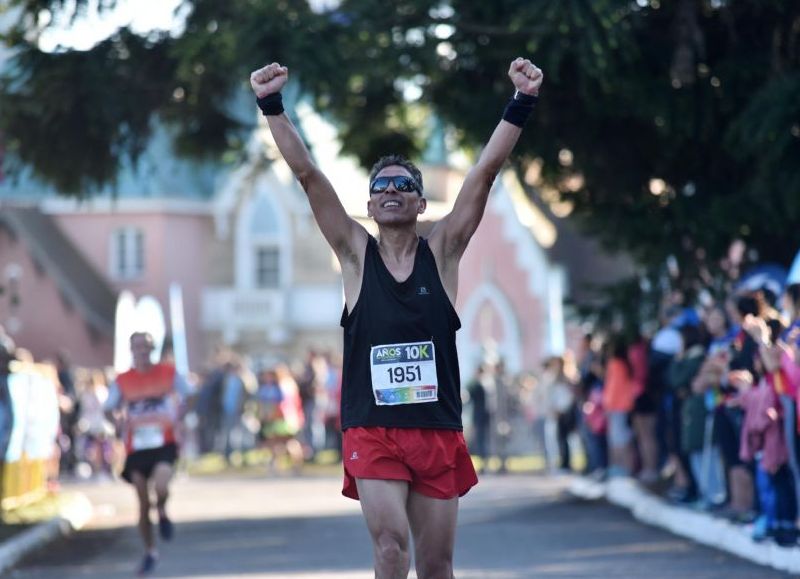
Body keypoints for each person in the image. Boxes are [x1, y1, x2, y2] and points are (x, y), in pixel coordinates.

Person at [250, 56, 543, 578]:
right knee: (390, 549)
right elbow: (308, 174)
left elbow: (484, 172)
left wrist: (521, 101)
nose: (389, 191)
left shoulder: (445, 250)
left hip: (435, 429)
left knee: (435, 566)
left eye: (401, 186)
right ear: (368, 202)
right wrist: (271, 105)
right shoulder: (354, 255)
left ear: (421, 202)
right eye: (380, 186)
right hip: (373, 428)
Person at [104, 332, 193, 576]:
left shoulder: (168, 373)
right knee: (142, 503)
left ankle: (162, 510)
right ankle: (150, 551)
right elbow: (108, 408)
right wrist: (117, 423)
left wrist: (180, 416)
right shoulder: (123, 380)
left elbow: (191, 394)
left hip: (164, 442)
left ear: (153, 349)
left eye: (147, 346)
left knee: (162, 487)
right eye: (138, 346)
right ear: (131, 349)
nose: (142, 350)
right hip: (137, 447)